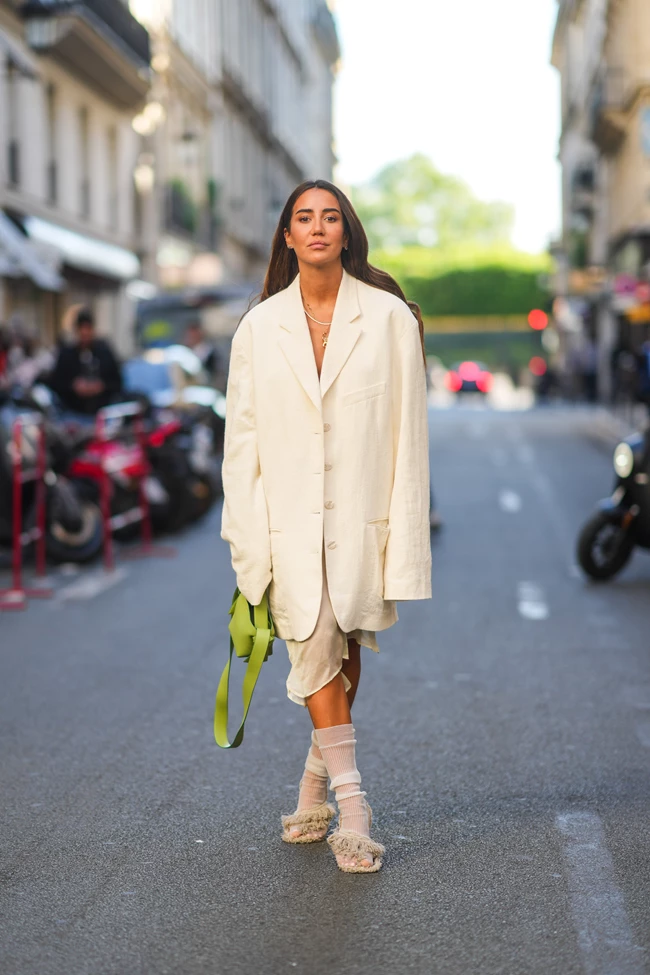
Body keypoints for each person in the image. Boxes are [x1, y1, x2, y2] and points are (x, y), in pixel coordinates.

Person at [221, 179, 432, 873]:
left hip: (361, 521)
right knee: (313, 650)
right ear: (286, 235)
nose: (317, 228)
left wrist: (406, 539)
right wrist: (247, 539)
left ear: (346, 231)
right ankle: (355, 805)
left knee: (346, 652)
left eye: (330, 217)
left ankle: (312, 786)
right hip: (285, 524)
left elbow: (408, 436)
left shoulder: (390, 317)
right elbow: (241, 443)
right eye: (304, 218)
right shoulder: (258, 328)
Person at [49, 306, 122, 414]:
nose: (84, 333)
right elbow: (55, 382)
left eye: (87, 328)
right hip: (73, 412)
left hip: (102, 410)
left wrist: (102, 386)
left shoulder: (105, 353)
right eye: (81, 328)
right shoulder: (66, 355)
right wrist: (73, 386)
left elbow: (117, 382)